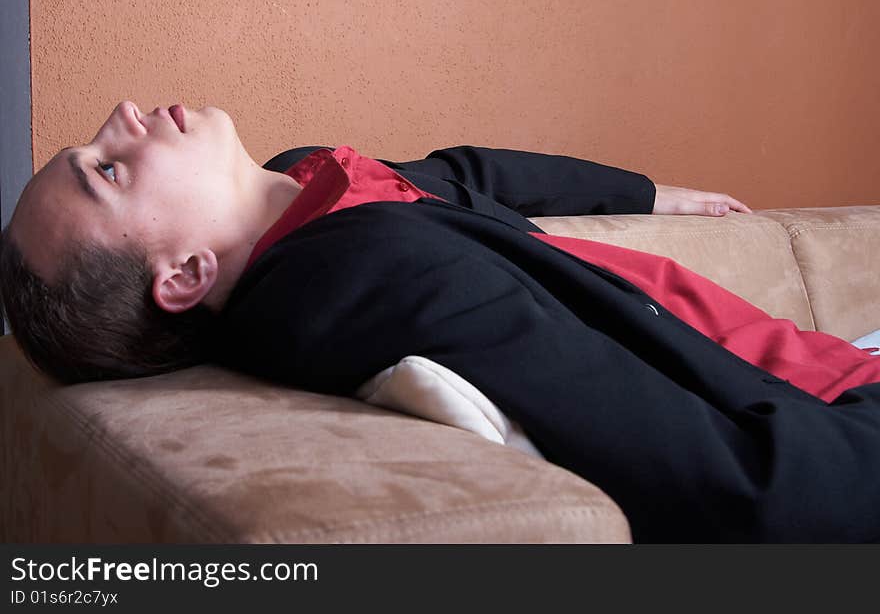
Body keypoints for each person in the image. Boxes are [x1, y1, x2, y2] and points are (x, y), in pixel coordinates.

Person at [2, 100, 879, 542]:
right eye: (109, 172)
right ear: (187, 275)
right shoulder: (344, 281)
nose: (119, 117)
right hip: (824, 398)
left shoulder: (302, 178)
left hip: (819, 353)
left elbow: (469, 174)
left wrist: (654, 195)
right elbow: (716, 476)